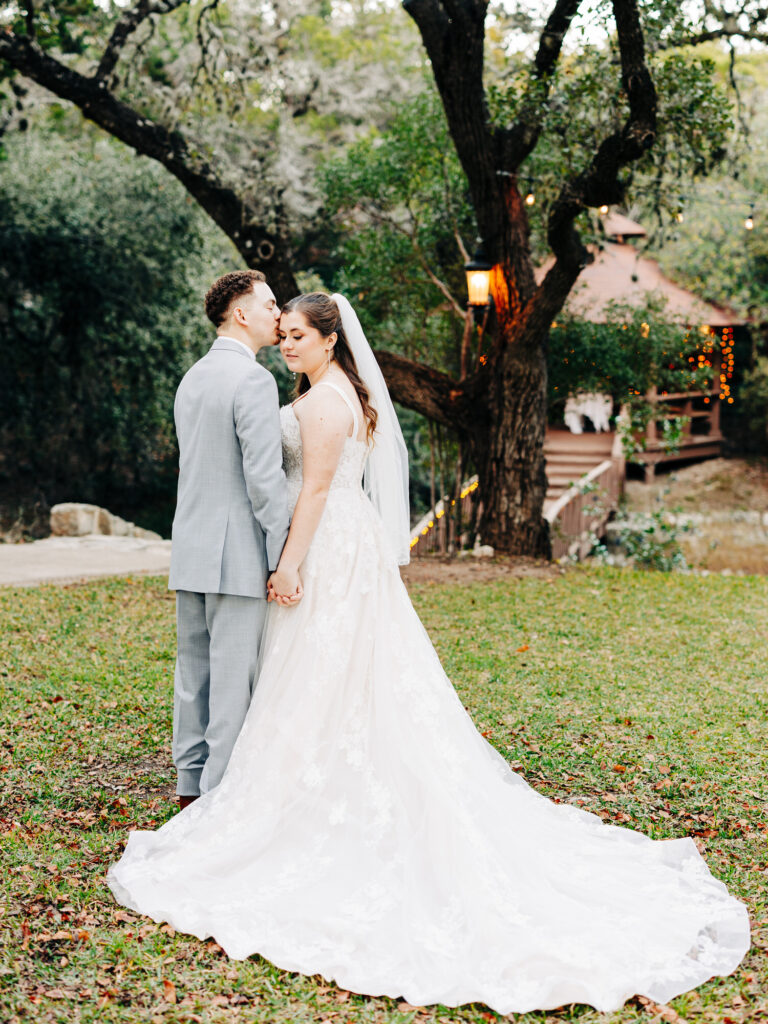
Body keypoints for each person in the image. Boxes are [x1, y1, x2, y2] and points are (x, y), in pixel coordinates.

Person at [109, 292, 749, 1015]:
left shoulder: (324, 404)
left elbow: (314, 490)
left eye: (296, 335)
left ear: (329, 340)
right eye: (280, 333)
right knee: (326, 678)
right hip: (333, 550)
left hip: (321, 549)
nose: (286, 344)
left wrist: (286, 564)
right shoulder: (329, 391)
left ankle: (287, 796)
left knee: (323, 675)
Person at [167, 270, 291, 810]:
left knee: (192, 674)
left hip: (191, 547)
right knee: (232, 681)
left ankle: (189, 787)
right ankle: (218, 802)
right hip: (237, 554)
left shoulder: (192, 376)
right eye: (269, 305)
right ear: (241, 313)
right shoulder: (254, 381)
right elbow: (264, 481)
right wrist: (285, 553)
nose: (278, 315)